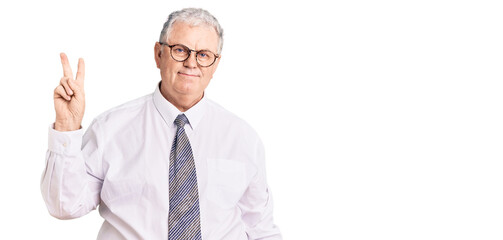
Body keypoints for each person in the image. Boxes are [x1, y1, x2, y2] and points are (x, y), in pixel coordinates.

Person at [41, 8, 282, 240]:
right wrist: (67, 127)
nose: (191, 62)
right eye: (180, 50)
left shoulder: (242, 138)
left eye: (203, 55)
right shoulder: (110, 129)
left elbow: (260, 228)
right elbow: (64, 205)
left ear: (215, 65)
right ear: (158, 54)